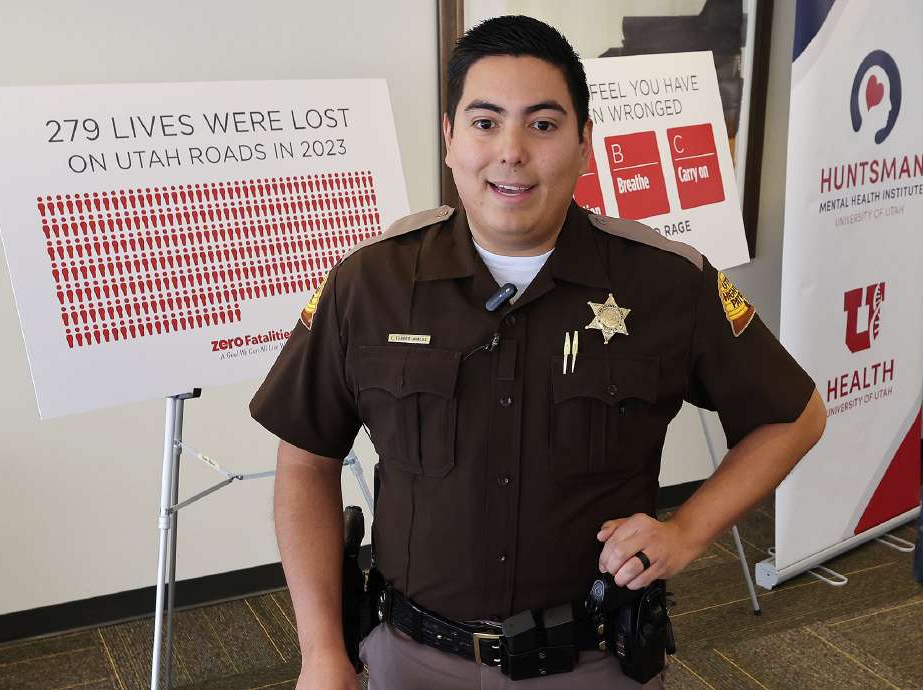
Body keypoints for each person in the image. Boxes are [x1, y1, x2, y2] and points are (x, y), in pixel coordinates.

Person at [250, 15, 826, 690]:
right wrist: (321, 652)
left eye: (544, 125)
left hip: (590, 663)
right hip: (409, 659)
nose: (512, 151)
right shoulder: (371, 283)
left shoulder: (666, 281)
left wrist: (688, 531)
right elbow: (305, 460)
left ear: (585, 143)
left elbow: (795, 415)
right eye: (485, 122)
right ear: (449, 138)